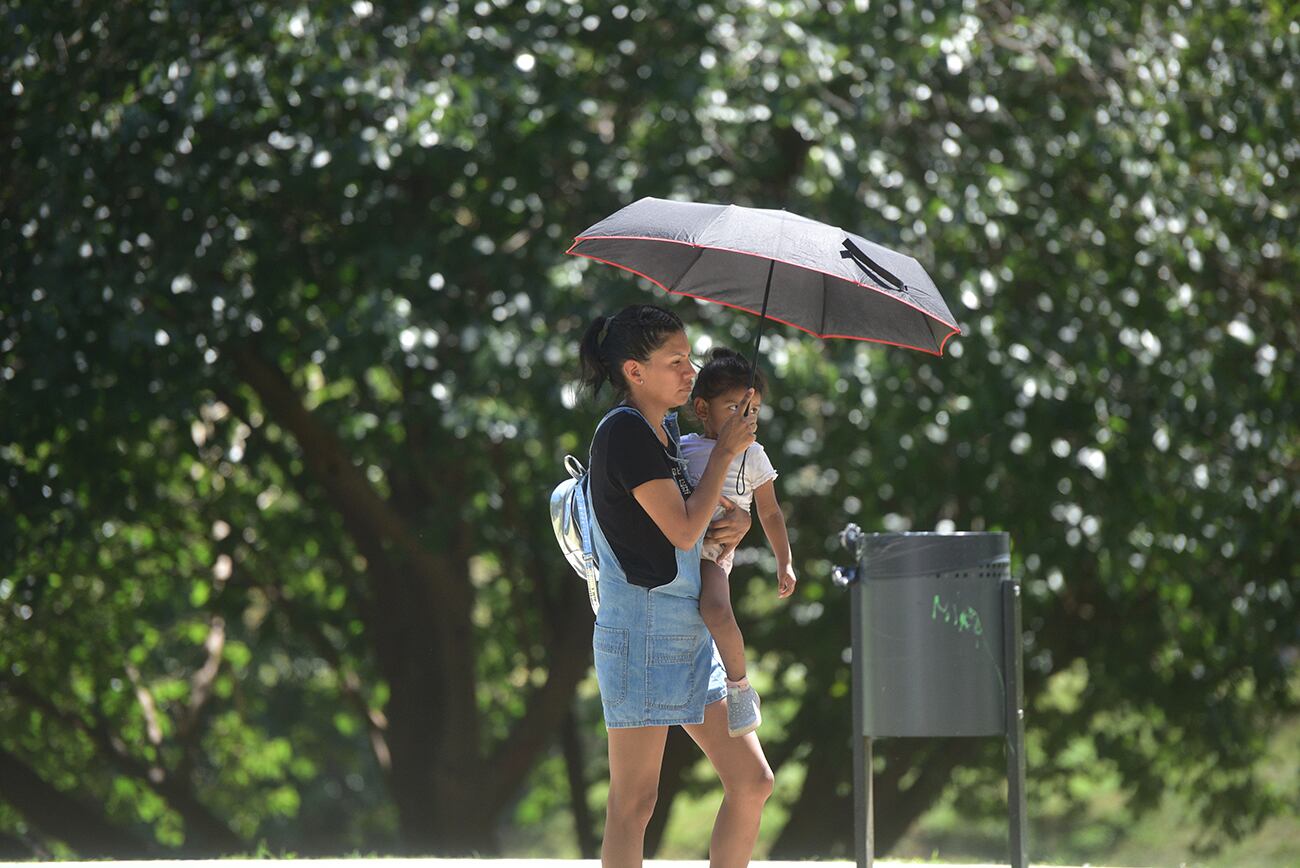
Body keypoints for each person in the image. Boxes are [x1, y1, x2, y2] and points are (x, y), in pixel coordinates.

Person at [578, 303, 774, 868]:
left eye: (689, 358)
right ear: (635, 373)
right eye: (676, 361)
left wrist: (737, 524)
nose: (691, 372)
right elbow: (684, 529)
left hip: (687, 631)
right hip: (641, 632)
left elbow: (698, 522)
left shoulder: (664, 430)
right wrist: (728, 455)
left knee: (752, 782)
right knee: (634, 802)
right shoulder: (624, 433)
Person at [679, 347, 797, 738]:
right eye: (733, 408)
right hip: (678, 547)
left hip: (712, 553)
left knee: (716, 609)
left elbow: (771, 513)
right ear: (702, 408)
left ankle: (740, 686)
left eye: (753, 410)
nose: (746, 419)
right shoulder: (684, 448)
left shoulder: (755, 457)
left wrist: (785, 561)